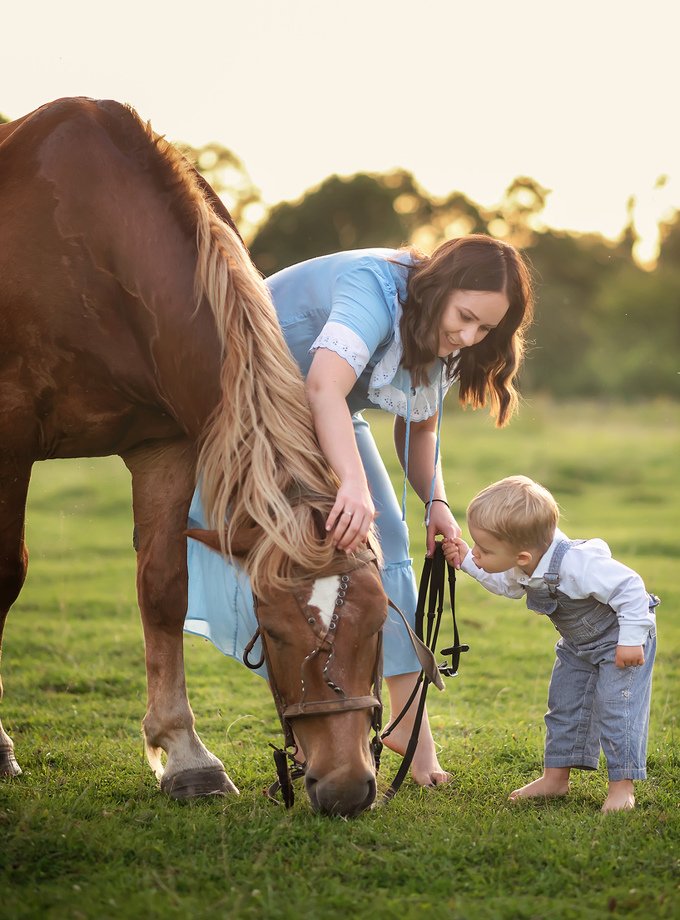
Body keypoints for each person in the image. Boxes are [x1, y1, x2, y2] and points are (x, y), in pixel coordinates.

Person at [185, 235, 534, 786]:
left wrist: (436, 503)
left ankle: (404, 725)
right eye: (465, 317)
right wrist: (352, 482)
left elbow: (421, 429)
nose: (468, 337)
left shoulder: (442, 334)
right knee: (304, 551)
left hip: (324, 407)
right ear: (440, 286)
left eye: (486, 329)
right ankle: (317, 719)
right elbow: (323, 383)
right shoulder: (375, 286)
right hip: (245, 390)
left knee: (389, 535)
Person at [442, 475, 658, 811]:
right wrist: (468, 560)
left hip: (621, 640)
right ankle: (555, 779)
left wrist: (631, 641)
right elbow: (506, 586)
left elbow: (630, 588)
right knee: (564, 705)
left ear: (523, 557)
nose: (478, 553)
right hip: (577, 645)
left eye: (484, 549)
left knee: (619, 709)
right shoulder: (523, 564)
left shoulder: (578, 564)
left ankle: (622, 787)